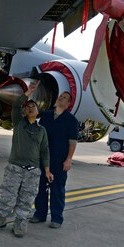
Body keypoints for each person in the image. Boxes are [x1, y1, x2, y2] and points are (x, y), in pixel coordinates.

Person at [0, 81, 52, 238]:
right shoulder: (19, 122)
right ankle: (1, 218)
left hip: (32, 170)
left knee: (26, 197)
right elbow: (16, 105)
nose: (30, 108)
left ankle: (20, 222)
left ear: (38, 112)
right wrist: (28, 92)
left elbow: (44, 150)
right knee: (7, 194)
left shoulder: (42, 130)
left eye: (33, 107)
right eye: (27, 107)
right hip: (15, 167)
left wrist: (47, 170)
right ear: (24, 111)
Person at [30, 91, 79, 228]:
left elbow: (72, 142)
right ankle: (40, 214)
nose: (61, 98)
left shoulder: (71, 120)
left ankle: (57, 218)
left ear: (68, 104)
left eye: (65, 98)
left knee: (57, 189)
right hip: (42, 158)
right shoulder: (45, 115)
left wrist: (69, 159)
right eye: (60, 96)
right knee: (40, 188)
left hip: (59, 160)